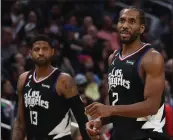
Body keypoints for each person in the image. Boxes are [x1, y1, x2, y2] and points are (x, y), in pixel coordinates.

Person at [85, 6, 169, 140]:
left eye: (131, 21)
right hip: (121, 134)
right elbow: (120, 103)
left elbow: (152, 106)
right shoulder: (112, 58)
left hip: (148, 135)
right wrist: (101, 121)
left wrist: (110, 109)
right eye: (122, 20)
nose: (125, 25)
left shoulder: (151, 58)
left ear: (141, 28)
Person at [12, 34, 90, 140]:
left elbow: (82, 120)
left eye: (45, 49)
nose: (40, 53)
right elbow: (20, 123)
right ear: (31, 53)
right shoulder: (23, 79)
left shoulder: (63, 80)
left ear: (52, 52)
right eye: (37, 49)